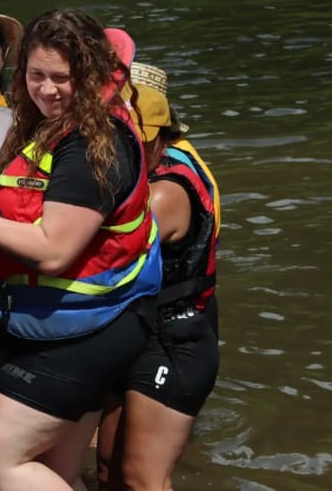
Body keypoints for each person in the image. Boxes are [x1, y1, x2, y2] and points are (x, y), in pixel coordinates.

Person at [0, 8, 163, 490]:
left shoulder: (88, 146)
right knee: (55, 474)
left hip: (84, 333)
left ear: (92, 74)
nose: (47, 89)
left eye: (63, 78)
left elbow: (53, 249)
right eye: (36, 75)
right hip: (92, 322)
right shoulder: (62, 126)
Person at [95, 62, 221, 491]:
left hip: (174, 339)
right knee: (108, 467)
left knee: (142, 480)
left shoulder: (167, 192)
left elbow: (93, 253)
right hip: (136, 331)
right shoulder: (150, 167)